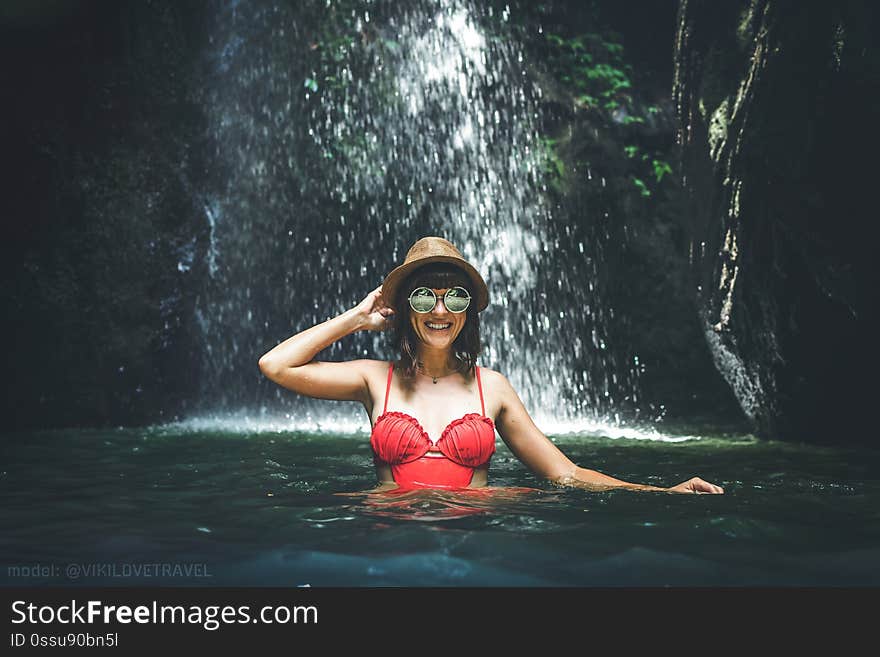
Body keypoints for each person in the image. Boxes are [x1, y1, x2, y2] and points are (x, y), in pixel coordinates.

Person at [258, 236, 724, 495]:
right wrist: (358, 318)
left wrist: (663, 494)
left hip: (477, 536)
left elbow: (565, 474)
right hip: (389, 530)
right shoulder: (373, 378)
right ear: (406, 308)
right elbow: (276, 365)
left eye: (454, 296)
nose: (440, 311)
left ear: (467, 311)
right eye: (424, 296)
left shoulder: (493, 388)